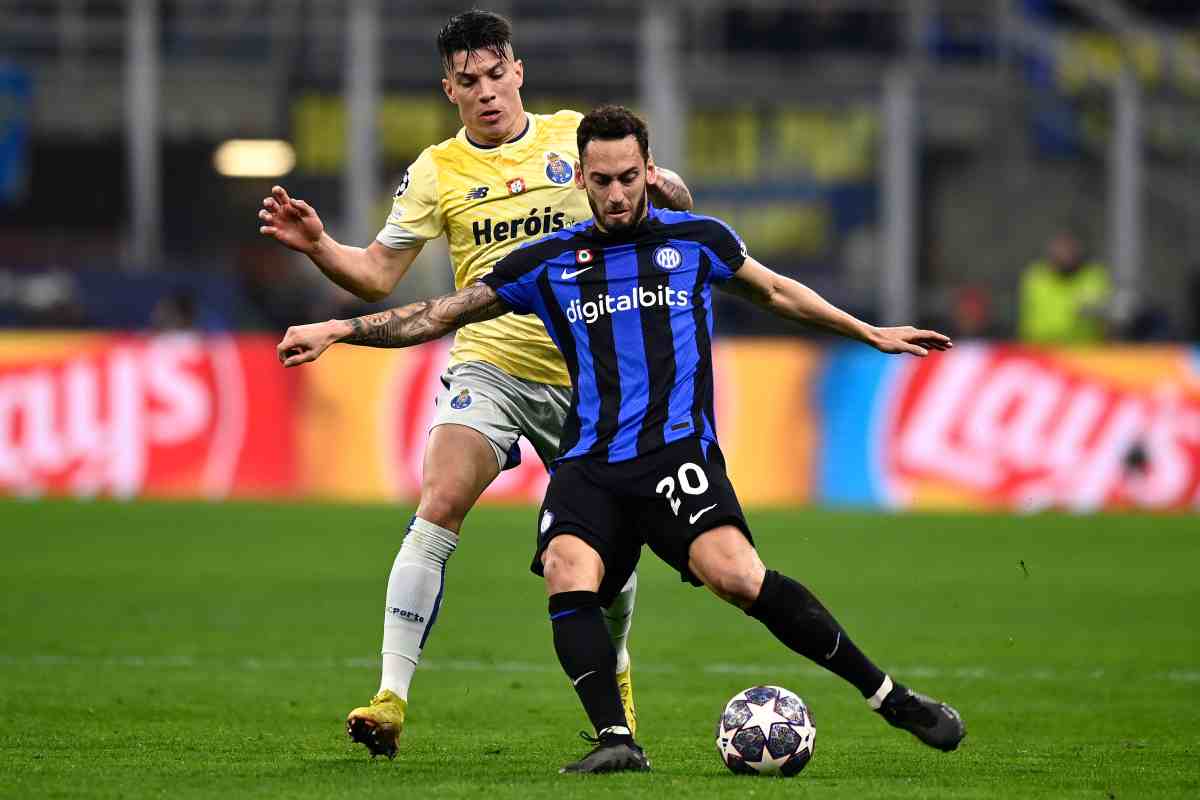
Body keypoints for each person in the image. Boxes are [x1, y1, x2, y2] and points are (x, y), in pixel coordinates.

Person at [276, 105, 965, 774]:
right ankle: (616, 739)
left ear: (648, 171)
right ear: (581, 179)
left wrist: (871, 333)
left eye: (627, 177)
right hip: (591, 462)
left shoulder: (697, 240)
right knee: (565, 570)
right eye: (601, 180)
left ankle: (890, 698)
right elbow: (439, 314)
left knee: (739, 578)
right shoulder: (549, 261)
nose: (614, 193)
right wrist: (340, 329)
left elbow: (779, 292)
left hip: (674, 456)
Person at [257, 11, 694, 758]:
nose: (487, 92)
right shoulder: (437, 172)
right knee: (440, 503)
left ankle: (614, 673)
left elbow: (654, 203)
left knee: (609, 553)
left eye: (497, 75)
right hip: (491, 364)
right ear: (449, 90)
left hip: (594, 380)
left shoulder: (574, 137)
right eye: (470, 82)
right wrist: (320, 245)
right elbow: (376, 275)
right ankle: (390, 698)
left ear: (518, 71)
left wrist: (668, 188)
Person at [1018, 230, 1111, 344]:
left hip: (1084, 349)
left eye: (1069, 249)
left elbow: (1105, 316)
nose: (1065, 254)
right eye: (1061, 249)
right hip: (1042, 349)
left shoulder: (1093, 276)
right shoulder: (1036, 276)